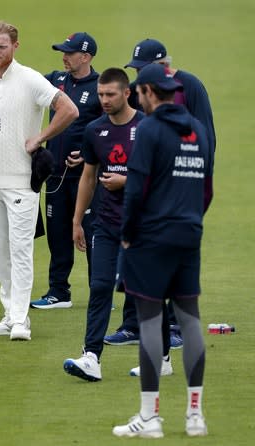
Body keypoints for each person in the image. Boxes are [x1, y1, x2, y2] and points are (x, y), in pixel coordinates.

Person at [111, 63, 213, 438]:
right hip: (189, 234)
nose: (137, 97)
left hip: (151, 238)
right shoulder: (197, 129)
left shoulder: (150, 129)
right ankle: (195, 415)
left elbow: (135, 188)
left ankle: (150, 417)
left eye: (139, 92)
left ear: (151, 92)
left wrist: (127, 235)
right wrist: (191, 220)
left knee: (151, 322)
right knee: (190, 320)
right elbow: (207, 186)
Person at [0, 21, 78, 341]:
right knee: (0, 250)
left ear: (15, 46)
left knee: (21, 249)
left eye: (2, 46)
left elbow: (68, 109)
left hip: (22, 181)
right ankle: (9, 312)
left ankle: (21, 319)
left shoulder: (30, 80)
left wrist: (40, 137)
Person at [105, 38, 216, 353]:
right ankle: (131, 326)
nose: (139, 80)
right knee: (135, 258)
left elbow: (206, 137)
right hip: (146, 180)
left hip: (178, 189)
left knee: (169, 263)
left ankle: (174, 329)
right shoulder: (146, 93)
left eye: (143, 71)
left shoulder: (190, 87)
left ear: (164, 66)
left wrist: (195, 192)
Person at [62, 68, 145, 381]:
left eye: (111, 94)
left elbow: (160, 177)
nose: (105, 100)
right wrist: (77, 220)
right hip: (106, 223)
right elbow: (88, 176)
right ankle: (91, 357)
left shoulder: (147, 128)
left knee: (143, 290)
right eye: (100, 95)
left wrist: (126, 180)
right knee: (99, 287)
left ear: (126, 93)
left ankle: (159, 355)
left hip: (142, 225)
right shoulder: (95, 130)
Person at [30, 32, 102, 309]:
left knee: (93, 235)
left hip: (88, 178)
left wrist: (88, 154)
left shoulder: (100, 87)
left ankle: (100, 293)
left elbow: (109, 128)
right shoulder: (55, 81)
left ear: (85, 57)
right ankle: (58, 292)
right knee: (58, 234)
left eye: (69, 53)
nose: (64, 57)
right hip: (57, 176)